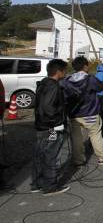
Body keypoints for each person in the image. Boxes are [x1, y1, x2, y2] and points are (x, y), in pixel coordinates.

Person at [64, 56, 103, 166]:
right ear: (85, 66)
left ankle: (78, 160)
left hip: (74, 114)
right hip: (90, 113)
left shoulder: (68, 80)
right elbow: (100, 87)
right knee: (95, 134)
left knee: (76, 137)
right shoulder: (90, 79)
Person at [31, 59, 71, 195]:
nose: (66, 73)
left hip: (41, 125)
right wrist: (57, 123)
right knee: (50, 155)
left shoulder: (43, 83)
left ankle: (37, 183)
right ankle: (49, 186)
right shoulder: (53, 86)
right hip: (51, 127)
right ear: (59, 71)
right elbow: (48, 106)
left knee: (40, 154)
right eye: (65, 70)